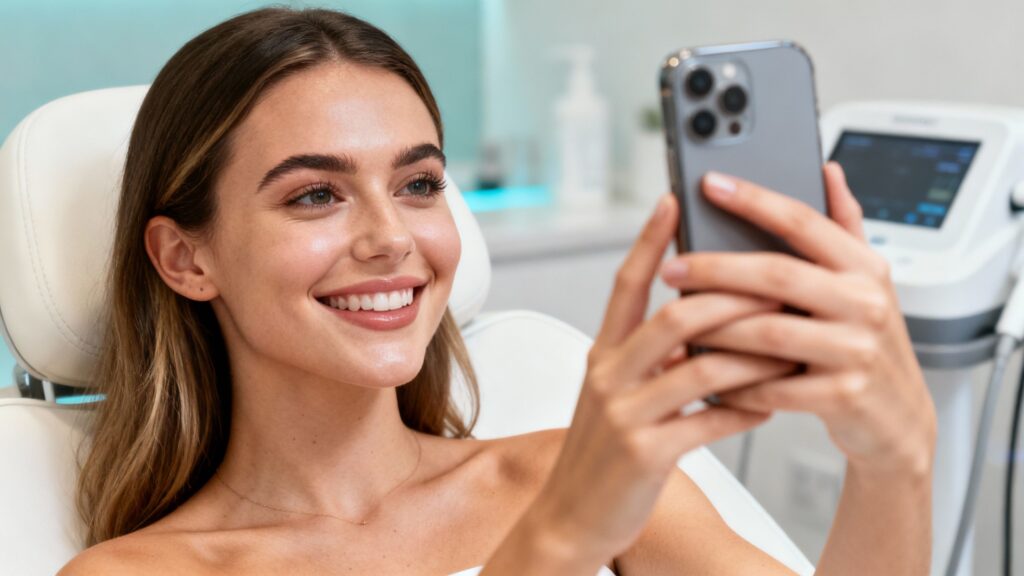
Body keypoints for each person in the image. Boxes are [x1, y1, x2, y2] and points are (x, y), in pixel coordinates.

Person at [59, 7, 937, 575]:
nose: (391, 238)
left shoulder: (579, 474)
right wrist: (558, 544)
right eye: (315, 194)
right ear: (185, 259)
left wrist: (895, 464)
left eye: (419, 184)